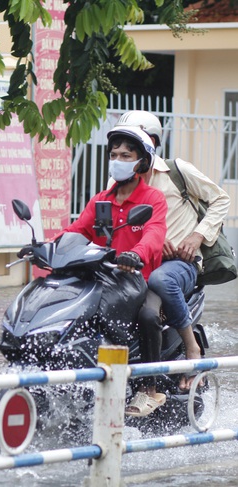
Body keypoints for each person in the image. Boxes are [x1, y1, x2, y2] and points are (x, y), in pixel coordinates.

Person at [114, 110, 231, 390]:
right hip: (139, 261)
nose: (120, 157)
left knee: (161, 281)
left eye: (130, 147)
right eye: (116, 150)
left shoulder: (176, 171)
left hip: (180, 262)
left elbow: (221, 199)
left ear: (150, 143)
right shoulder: (118, 181)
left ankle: (191, 348)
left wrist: (196, 236)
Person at [59, 126, 168, 417]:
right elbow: (77, 229)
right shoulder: (101, 200)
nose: (117, 159)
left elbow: (154, 235)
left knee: (147, 316)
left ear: (142, 162)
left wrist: (136, 254)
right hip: (104, 279)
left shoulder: (153, 198)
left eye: (125, 155)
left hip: (141, 280)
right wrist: (48, 247)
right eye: (114, 154)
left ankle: (149, 389)